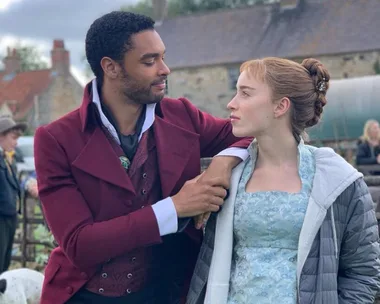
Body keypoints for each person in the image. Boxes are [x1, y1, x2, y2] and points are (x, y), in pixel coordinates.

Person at [34, 11, 251, 304]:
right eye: (149, 61)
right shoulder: (56, 139)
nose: (165, 69)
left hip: (167, 291)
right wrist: (173, 208)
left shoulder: (182, 115)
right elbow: (79, 245)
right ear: (111, 67)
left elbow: (250, 132)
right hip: (84, 295)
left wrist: (222, 165)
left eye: (162, 57)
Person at [187, 58, 380, 304]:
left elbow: (362, 272)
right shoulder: (228, 177)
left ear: (280, 106)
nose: (231, 104)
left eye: (245, 94)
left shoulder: (338, 181)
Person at [0, 116, 26, 273]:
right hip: (1, 218)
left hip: (9, 217)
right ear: (1, 135)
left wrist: (28, 185)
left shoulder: (9, 158)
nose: (16, 142)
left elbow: (14, 183)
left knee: (5, 262)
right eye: (13, 138)